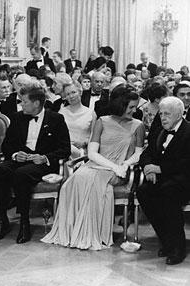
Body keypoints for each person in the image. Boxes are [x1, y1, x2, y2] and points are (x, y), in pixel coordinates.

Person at [41, 85, 145, 250]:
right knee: (73, 181)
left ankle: (91, 233)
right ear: (120, 104)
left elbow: (139, 153)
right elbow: (92, 152)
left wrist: (124, 165)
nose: (134, 110)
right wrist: (112, 166)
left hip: (120, 169)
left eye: (135, 106)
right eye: (131, 106)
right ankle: (72, 232)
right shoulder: (102, 121)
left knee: (93, 180)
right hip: (97, 164)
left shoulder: (138, 125)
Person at [0, 82, 71, 244]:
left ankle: (25, 222)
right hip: (20, 159)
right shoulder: (17, 117)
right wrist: (14, 155)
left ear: (36, 103)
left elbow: (65, 149)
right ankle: (2, 219)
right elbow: (7, 145)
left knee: (22, 174)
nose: (21, 105)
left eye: (24, 102)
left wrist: (44, 157)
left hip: (42, 163)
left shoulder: (56, 119)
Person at [137, 97, 190, 265]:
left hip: (184, 180)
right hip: (161, 178)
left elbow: (187, 163)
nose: (163, 118)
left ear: (180, 114)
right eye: (161, 114)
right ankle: (167, 240)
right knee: (143, 191)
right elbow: (147, 152)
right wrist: (147, 167)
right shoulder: (159, 127)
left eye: (167, 114)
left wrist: (160, 169)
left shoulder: (188, 131)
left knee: (169, 193)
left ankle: (178, 248)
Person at [59, 81, 96, 158]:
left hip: (83, 152)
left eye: (73, 92)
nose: (71, 96)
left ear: (80, 92)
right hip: (64, 151)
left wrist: (85, 143)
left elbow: (94, 137)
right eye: (68, 94)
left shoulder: (91, 113)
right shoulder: (61, 112)